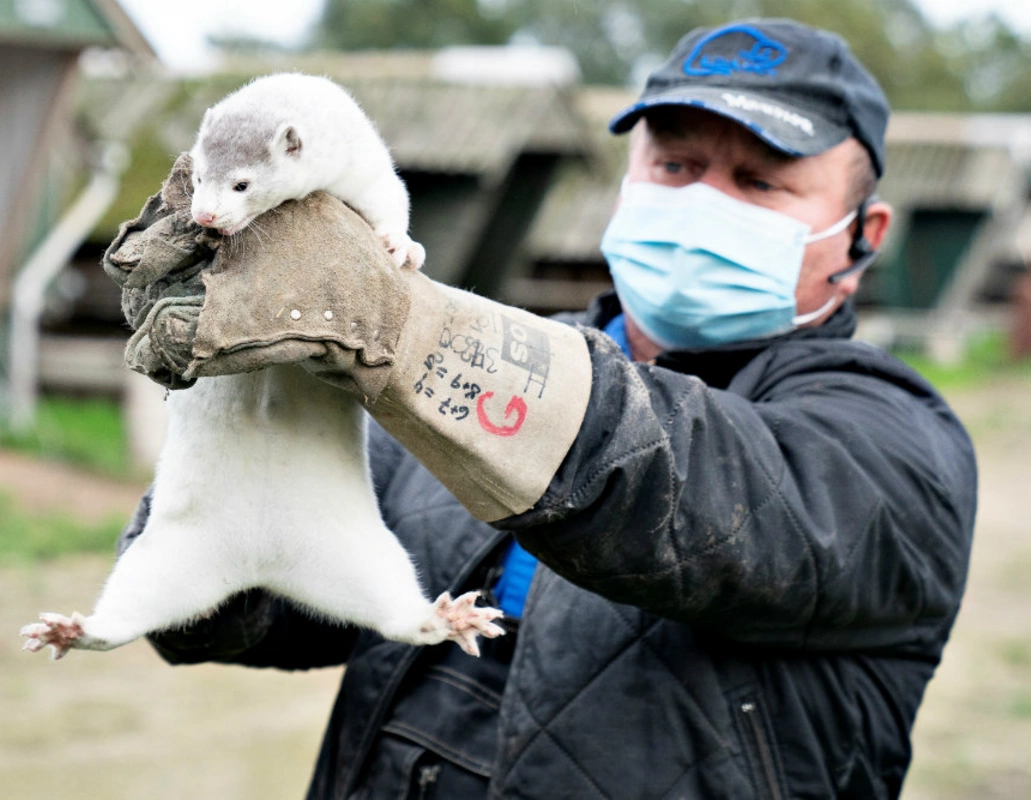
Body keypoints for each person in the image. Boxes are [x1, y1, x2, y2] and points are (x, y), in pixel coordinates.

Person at [111, 18, 977, 799]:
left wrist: (398, 327)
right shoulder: (454, 376)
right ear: (628, 179)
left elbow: (689, 482)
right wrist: (222, 447)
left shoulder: (894, 440)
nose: (702, 202)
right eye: (674, 166)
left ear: (865, 235)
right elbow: (270, 606)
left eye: (759, 181)